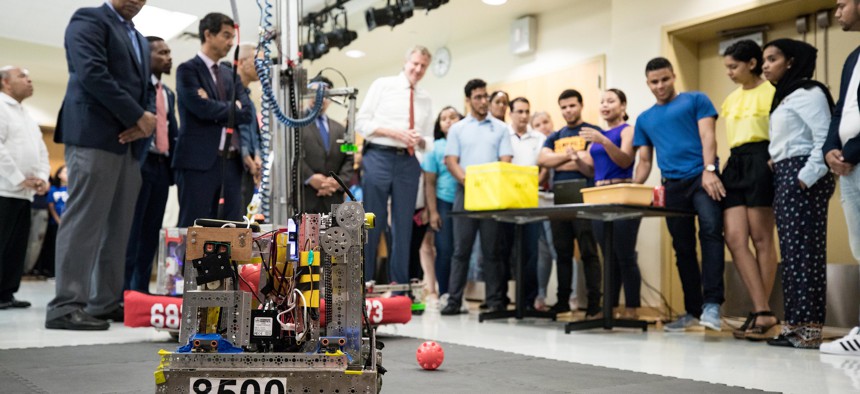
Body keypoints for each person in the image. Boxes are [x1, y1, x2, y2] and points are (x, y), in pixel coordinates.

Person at [47, 0, 156, 331]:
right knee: (84, 222)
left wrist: (147, 119)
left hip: (131, 143)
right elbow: (92, 71)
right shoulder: (89, 19)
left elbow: (146, 88)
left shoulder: (138, 36)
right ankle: (65, 305)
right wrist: (137, 115)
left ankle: (104, 302)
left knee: (118, 227)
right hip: (94, 134)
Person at [633, 57, 725, 332]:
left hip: (702, 178)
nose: (660, 86)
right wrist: (632, 189)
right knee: (682, 248)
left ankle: (712, 305)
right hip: (672, 186)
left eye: (665, 79)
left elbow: (709, 136)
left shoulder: (696, 100)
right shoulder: (644, 119)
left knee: (710, 233)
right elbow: (645, 162)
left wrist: (710, 170)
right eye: (654, 82)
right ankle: (693, 310)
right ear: (648, 83)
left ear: (673, 76)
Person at [762, 39, 835, 349]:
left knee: (805, 255)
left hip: (803, 175)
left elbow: (825, 138)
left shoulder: (809, 93)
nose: (765, 65)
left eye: (772, 59)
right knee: (793, 256)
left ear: (791, 62)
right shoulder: (787, 96)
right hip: (787, 173)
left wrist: (803, 179)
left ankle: (808, 330)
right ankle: (794, 327)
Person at [718, 40, 780, 340]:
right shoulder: (730, 100)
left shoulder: (773, 91)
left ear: (752, 64)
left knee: (761, 237)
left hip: (762, 159)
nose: (729, 72)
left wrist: (775, 157)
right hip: (735, 163)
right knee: (734, 237)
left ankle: (761, 312)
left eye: (734, 66)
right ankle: (762, 310)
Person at [355, 46, 433, 285]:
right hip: (378, 156)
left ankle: (400, 286)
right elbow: (362, 123)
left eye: (423, 66)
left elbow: (428, 139)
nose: (418, 70)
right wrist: (395, 133)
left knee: (403, 226)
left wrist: (417, 140)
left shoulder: (425, 98)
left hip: (408, 161)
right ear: (406, 61)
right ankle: (364, 282)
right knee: (372, 221)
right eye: (415, 64)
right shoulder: (383, 85)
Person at [173, 12, 254, 227]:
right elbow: (199, 108)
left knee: (231, 228)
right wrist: (231, 108)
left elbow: (247, 113)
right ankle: (188, 263)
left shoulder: (231, 76)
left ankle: (227, 263)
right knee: (195, 227)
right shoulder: (187, 70)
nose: (230, 43)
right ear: (208, 34)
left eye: (232, 38)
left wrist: (214, 106)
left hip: (231, 164)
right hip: (198, 163)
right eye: (226, 36)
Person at [441, 79, 513, 315]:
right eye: (478, 97)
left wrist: (487, 183)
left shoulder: (501, 128)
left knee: (492, 250)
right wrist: (468, 182)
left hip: (493, 193)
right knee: (461, 250)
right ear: (468, 100)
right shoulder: (458, 129)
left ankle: (494, 301)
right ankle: (454, 301)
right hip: (466, 191)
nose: (483, 101)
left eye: (485, 96)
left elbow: (506, 160)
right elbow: (451, 161)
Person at [537, 89, 602, 317]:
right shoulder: (555, 136)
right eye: (563, 107)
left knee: (588, 251)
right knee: (562, 252)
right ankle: (562, 301)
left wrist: (560, 161)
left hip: (585, 196)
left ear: (581, 105)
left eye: (572, 106)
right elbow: (543, 159)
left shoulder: (592, 131)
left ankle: (594, 304)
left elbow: (591, 163)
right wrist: (572, 156)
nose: (568, 111)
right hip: (560, 199)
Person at [578, 89, 642, 319]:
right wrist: (577, 160)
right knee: (608, 256)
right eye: (602, 102)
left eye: (611, 101)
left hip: (622, 193)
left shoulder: (628, 130)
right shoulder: (598, 136)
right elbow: (591, 170)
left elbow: (626, 159)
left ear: (623, 106)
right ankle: (611, 308)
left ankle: (632, 308)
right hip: (599, 193)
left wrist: (603, 140)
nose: (605, 105)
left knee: (625, 255)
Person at [124, 36, 178, 293]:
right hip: (139, 163)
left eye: (169, 52)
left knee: (150, 232)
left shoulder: (168, 93)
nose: (168, 57)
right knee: (132, 230)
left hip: (162, 166)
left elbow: (172, 129)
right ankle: (122, 291)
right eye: (162, 52)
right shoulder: (136, 86)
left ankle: (141, 290)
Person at [821, 0, 860, 356]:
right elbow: (841, 110)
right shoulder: (852, 58)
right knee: (859, 244)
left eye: (842, 4)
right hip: (848, 166)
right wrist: (830, 148)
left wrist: (854, 150)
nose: (837, 12)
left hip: (856, 158)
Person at [0, 65, 50, 310]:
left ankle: (6, 293)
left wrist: (42, 177)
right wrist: (19, 178)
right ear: (5, 83)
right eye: (22, 76)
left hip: (26, 193)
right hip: (4, 190)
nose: (29, 80)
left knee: (17, 246)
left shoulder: (26, 114)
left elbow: (40, 151)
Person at [503, 97, 544, 309]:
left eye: (527, 111)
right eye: (519, 111)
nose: (524, 116)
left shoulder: (539, 137)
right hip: (506, 202)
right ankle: (502, 300)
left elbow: (545, 165)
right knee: (505, 251)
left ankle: (528, 301)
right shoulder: (503, 135)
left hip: (530, 201)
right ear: (511, 113)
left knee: (530, 253)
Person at [423, 106, 463, 307]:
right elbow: (429, 181)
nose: (448, 121)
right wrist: (433, 212)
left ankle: (458, 295)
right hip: (444, 202)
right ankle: (445, 292)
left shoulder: (467, 142)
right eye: (444, 118)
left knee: (462, 250)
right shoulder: (436, 147)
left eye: (453, 117)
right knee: (445, 249)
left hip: (467, 200)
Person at [300, 75, 354, 213]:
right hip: (305, 196)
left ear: (330, 99)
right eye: (314, 93)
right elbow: (289, 155)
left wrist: (338, 182)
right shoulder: (295, 125)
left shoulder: (341, 129)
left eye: (324, 95)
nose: (319, 99)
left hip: (333, 199)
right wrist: (310, 178)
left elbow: (349, 157)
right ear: (307, 95)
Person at [529, 111, 566, 312]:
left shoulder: (558, 142)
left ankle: (573, 297)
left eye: (546, 121)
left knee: (558, 250)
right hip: (539, 202)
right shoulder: (540, 148)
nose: (543, 126)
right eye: (538, 124)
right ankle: (541, 295)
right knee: (542, 252)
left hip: (557, 202)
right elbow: (541, 167)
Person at [235, 43, 264, 211]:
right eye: (257, 62)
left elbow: (254, 132)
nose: (262, 68)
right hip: (237, 165)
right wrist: (246, 156)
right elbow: (240, 130)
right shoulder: (231, 94)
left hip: (250, 168)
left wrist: (258, 157)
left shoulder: (249, 101)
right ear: (241, 62)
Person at [41, 166, 69, 279]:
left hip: (69, 224)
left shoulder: (73, 188)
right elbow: (51, 206)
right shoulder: (53, 189)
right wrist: (58, 220)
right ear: (59, 175)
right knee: (54, 247)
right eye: (65, 172)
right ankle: (52, 271)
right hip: (55, 223)